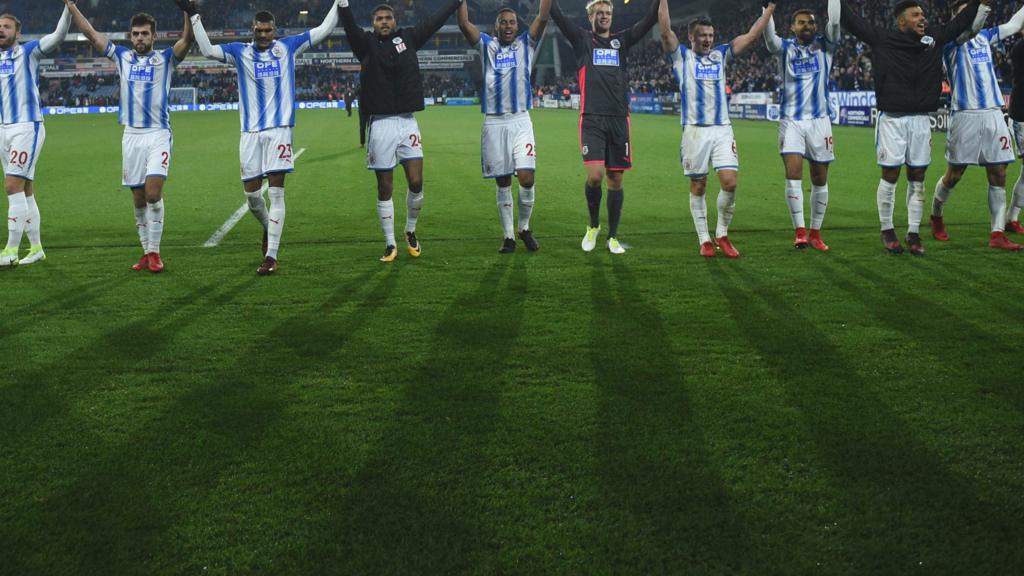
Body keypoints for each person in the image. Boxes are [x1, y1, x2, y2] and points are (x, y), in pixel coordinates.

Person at [186, 0, 342, 275]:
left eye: (268, 31)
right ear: (252, 30)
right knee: (253, 198)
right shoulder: (240, 52)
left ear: (275, 30)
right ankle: (269, 228)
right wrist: (194, 15)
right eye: (259, 31)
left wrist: (339, 2)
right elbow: (208, 50)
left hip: (279, 130)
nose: (263, 35)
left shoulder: (288, 47)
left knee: (277, 194)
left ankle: (271, 256)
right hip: (249, 133)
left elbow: (324, 29)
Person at [840, 0, 980, 256]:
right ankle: (887, 229)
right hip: (892, 120)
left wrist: (979, 4)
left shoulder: (934, 38)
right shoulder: (882, 38)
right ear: (901, 21)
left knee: (918, 177)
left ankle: (914, 233)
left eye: (923, 14)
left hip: (920, 120)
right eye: (915, 15)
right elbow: (850, 20)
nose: (922, 18)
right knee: (891, 175)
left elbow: (960, 23)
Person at [65, 0, 195, 272]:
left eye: (145, 33)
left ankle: (156, 253)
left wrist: (188, 10)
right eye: (135, 34)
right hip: (131, 135)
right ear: (130, 36)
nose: (139, 38)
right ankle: (146, 252)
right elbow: (90, 33)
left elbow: (187, 39)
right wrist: (71, 5)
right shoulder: (122, 56)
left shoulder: (166, 59)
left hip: (158, 133)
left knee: (152, 193)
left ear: (154, 36)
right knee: (137, 198)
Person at [340, 0, 464, 262]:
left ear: (394, 21)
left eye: (388, 18)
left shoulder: (408, 38)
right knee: (385, 187)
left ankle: (410, 230)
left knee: (416, 182)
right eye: (379, 19)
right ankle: (389, 243)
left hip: (407, 122)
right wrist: (343, 6)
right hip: (381, 124)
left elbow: (433, 22)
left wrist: (454, 3)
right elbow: (350, 28)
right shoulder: (366, 45)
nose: (384, 22)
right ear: (373, 24)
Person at [659, 2, 776, 257]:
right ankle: (704, 239)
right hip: (694, 132)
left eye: (711, 35)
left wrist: (770, 8)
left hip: (722, 129)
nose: (707, 40)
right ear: (691, 36)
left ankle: (722, 234)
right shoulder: (682, 56)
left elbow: (753, 35)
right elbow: (666, 30)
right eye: (702, 35)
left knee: (730, 183)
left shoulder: (721, 55)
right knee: (699, 186)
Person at [549, 0, 660, 254]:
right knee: (596, 175)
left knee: (616, 179)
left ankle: (613, 236)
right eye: (599, 13)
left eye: (608, 13)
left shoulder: (623, 40)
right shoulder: (582, 39)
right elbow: (557, 15)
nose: (604, 16)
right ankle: (592, 225)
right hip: (592, 118)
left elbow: (650, 19)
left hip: (619, 119)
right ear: (590, 17)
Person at [457, 0, 551, 253]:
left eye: (512, 22)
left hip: (520, 120)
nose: (508, 26)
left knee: (526, 176)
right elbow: (464, 23)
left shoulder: (526, 44)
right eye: (503, 22)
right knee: (502, 181)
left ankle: (524, 228)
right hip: (494, 122)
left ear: (517, 25)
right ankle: (508, 236)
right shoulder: (487, 45)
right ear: (495, 27)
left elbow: (542, 17)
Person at [931, 0, 1024, 250]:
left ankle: (997, 234)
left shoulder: (985, 37)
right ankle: (936, 215)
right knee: (955, 174)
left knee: (999, 172)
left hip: (993, 113)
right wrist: (980, 7)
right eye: (966, 13)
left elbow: (1015, 25)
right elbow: (969, 30)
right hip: (965, 114)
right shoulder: (950, 42)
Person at [763, 0, 840, 252]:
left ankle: (816, 232)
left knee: (820, 178)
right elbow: (769, 36)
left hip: (820, 121)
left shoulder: (825, 46)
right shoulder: (784, 48)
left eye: (811, 22)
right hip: (792, 121)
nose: (807, 26)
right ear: (793, 27)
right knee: (793, 174)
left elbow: (836, 21)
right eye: (802, 22)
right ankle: (799, 231)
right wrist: (767, 8)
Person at [0, 4, 71, 268]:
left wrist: (68, 7)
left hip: (26, 127)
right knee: (25, 189)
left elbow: (58, 36)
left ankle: (10, 250)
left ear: (18, 33)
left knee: (11, 186)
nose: (1, 30)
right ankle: (37, 247)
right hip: (3, 129)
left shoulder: (28, 52)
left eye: (6, 26)